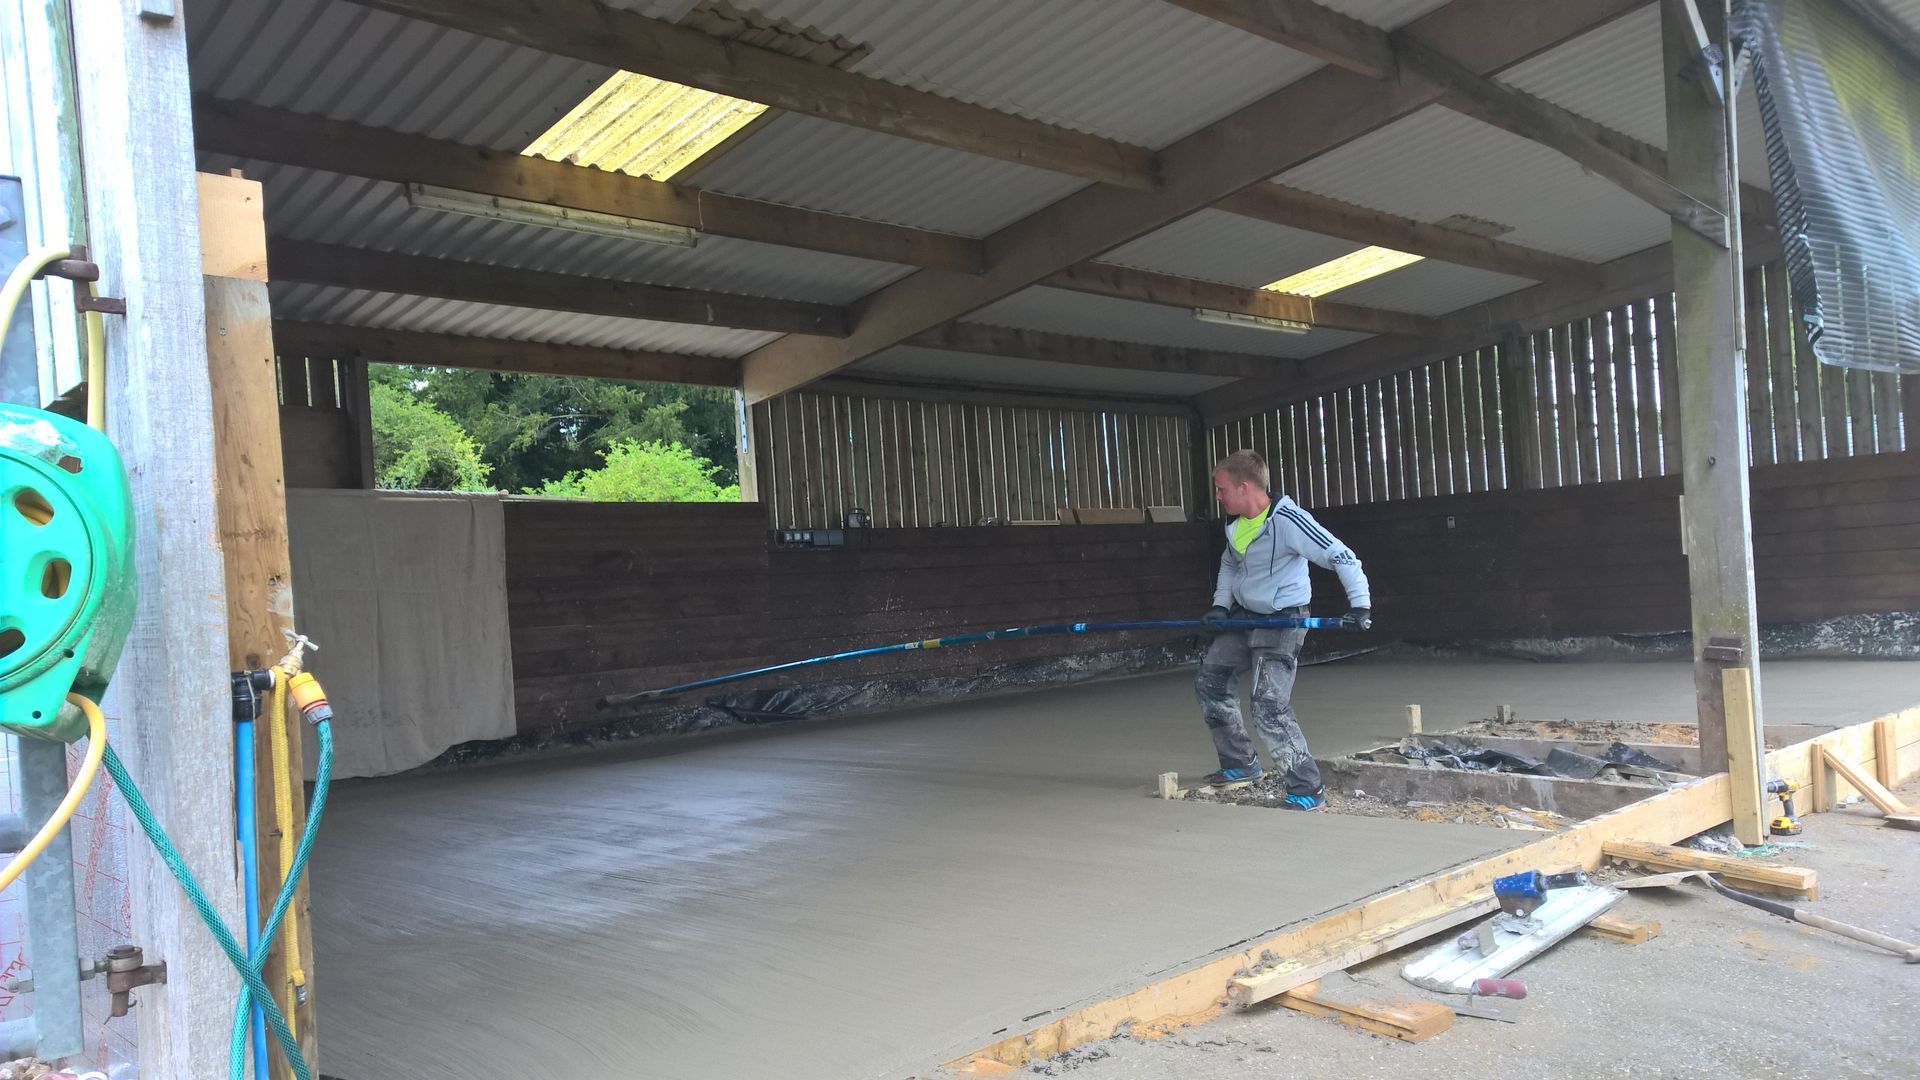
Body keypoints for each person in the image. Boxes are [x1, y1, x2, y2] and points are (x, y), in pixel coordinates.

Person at [1196, 449, 1372, 810]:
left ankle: (1307, 788)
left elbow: (1342, 556)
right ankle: (1239, 763)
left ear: (1244, 487)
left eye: (1221, 488)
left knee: (1268, 704)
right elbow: (1231, 564)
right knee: (1211, 682)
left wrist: (1360, 605)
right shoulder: (1235, 524)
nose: (1217, 495)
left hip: (1284, 619)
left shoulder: (1289, 520)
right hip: (1245, 615)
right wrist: (1219, 605)